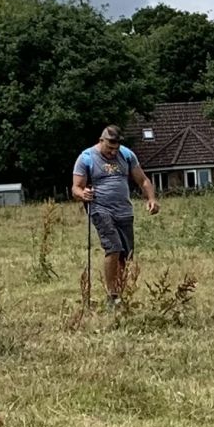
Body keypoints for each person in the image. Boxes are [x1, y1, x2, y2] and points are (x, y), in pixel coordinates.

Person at [71, 124, 158, 309]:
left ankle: (119, 294)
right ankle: (112, 296)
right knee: (114, 247)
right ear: (101, 140)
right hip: (100, 209)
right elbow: (76, 188)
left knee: (126, 256)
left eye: (115, 149)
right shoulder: (86, 158)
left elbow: (142, 180)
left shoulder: (126, 155)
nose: (112, 153)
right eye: (109, 148)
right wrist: (83, 194)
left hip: (124, 210)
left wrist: (151, 199)